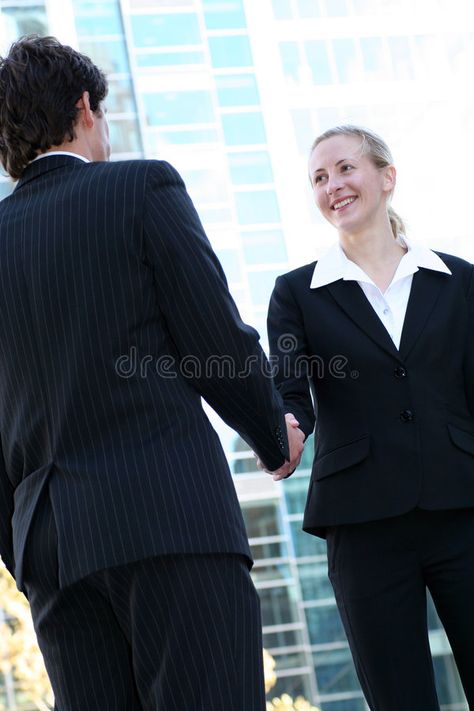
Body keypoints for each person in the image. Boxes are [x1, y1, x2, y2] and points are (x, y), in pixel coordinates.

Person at [0, 35, 305, 711]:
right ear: (85, 107)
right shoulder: (140, 187)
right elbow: (212, 337)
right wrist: (271, 431)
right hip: (169, 519)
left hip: (52, 551)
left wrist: (23, 551)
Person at [266, 124, 474, 710]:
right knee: (398, 697)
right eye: (319, 177)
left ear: (387, 177)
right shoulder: (296, 294)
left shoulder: (460, 281)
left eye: (345, 168)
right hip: (362, 522)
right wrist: (285, 429)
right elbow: (289, 390)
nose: (333, 184)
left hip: (464, 504)